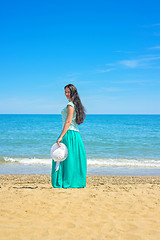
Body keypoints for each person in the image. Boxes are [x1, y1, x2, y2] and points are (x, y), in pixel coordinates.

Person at [51, 84, 87, 188]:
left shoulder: (70, 105)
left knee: (63, 157)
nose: (66, 94)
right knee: (72, 158)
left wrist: (61, 136)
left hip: (69, 133)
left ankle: (66, 181)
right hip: (75, 134)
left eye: (68, 92)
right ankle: (74, 181)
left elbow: (68, 121)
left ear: (73, 92)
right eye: (65, 92)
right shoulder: (75, 104)